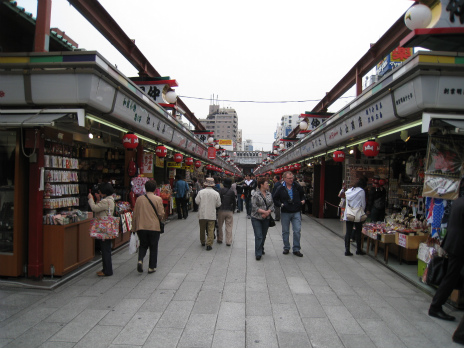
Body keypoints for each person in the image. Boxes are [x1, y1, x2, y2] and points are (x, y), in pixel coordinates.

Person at [428, 180, 464, 321]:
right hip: (459, 245)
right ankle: (435, 307)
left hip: (453, 243)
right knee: (451, 277)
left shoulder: (458, 201)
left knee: (451, 276)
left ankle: (436, 306)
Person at [131, 180, 165, 274]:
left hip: (141, 226)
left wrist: (133, 228)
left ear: (145, 188)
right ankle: (151, 267)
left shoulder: (139, 199)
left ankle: (140, 260)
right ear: (155, 189)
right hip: (154, 227)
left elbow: (135, 214)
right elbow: (161, 214)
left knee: (143, 245)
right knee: (153, 246)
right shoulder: (158, 199)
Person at [273, 171, 305, 257]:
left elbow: (302, 194)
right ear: (284, 179)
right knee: (285, 231)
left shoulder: (297, 186)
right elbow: (275, 198)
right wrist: (281, 204)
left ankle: (296, 249)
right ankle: (286, 247)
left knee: (297, 230)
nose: (291, 180)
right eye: (289, 178)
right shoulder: (280, 188)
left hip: (296, 211)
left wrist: (303, 200)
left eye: (292, 178)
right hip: (285, 212)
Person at [88, 182, 115, 277]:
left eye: (100, 191)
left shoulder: (106, 201)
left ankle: (107, 270)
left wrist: (91, 199)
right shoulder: (110, 200)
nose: (99, 192)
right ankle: (106, 269)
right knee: (106, 249)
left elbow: (94, 208)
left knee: (105, 250)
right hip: (107, 227)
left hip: (104, 228)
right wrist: (98, 199)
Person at [251, 177, 275, 260]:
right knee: (259, 235)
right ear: (261, 185)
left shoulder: (269, 194)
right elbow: (254, 206)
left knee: (263, 235)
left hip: (266, 218)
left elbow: (272, 205)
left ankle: (261, 247)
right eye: (266, 183)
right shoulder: (255, 194)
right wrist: (264, 212)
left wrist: (267, 212)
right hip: (256, 218)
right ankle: (258, 253)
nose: (268, 184)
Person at [195, 177, 221, 250]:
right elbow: (218, 204)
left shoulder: (201, 192)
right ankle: (209, 244)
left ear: (205, 185)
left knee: (202, 228)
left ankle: (203, 241)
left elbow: (197, 201)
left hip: (202, 213)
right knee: (211, 229)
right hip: (211, 214)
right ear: (213, 185)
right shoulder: (216, 193)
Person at [343, 179, 367, 256]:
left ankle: (347, 250)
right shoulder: (361, 191)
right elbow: (363, 204)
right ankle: (358, 249)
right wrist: (362, 211)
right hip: (357, 214)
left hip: (349, 213)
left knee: (348, 232)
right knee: (358, 231)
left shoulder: (349, 191)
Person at [218, 178, 236, 246]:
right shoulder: (232, 192)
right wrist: (233, 209)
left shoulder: (220, 190)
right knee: (229, 226)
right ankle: (228, 241)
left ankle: (220, 238)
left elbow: (218, 200)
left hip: (221, 210)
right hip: (229, 210)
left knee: (220, 225)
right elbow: (234, 202)